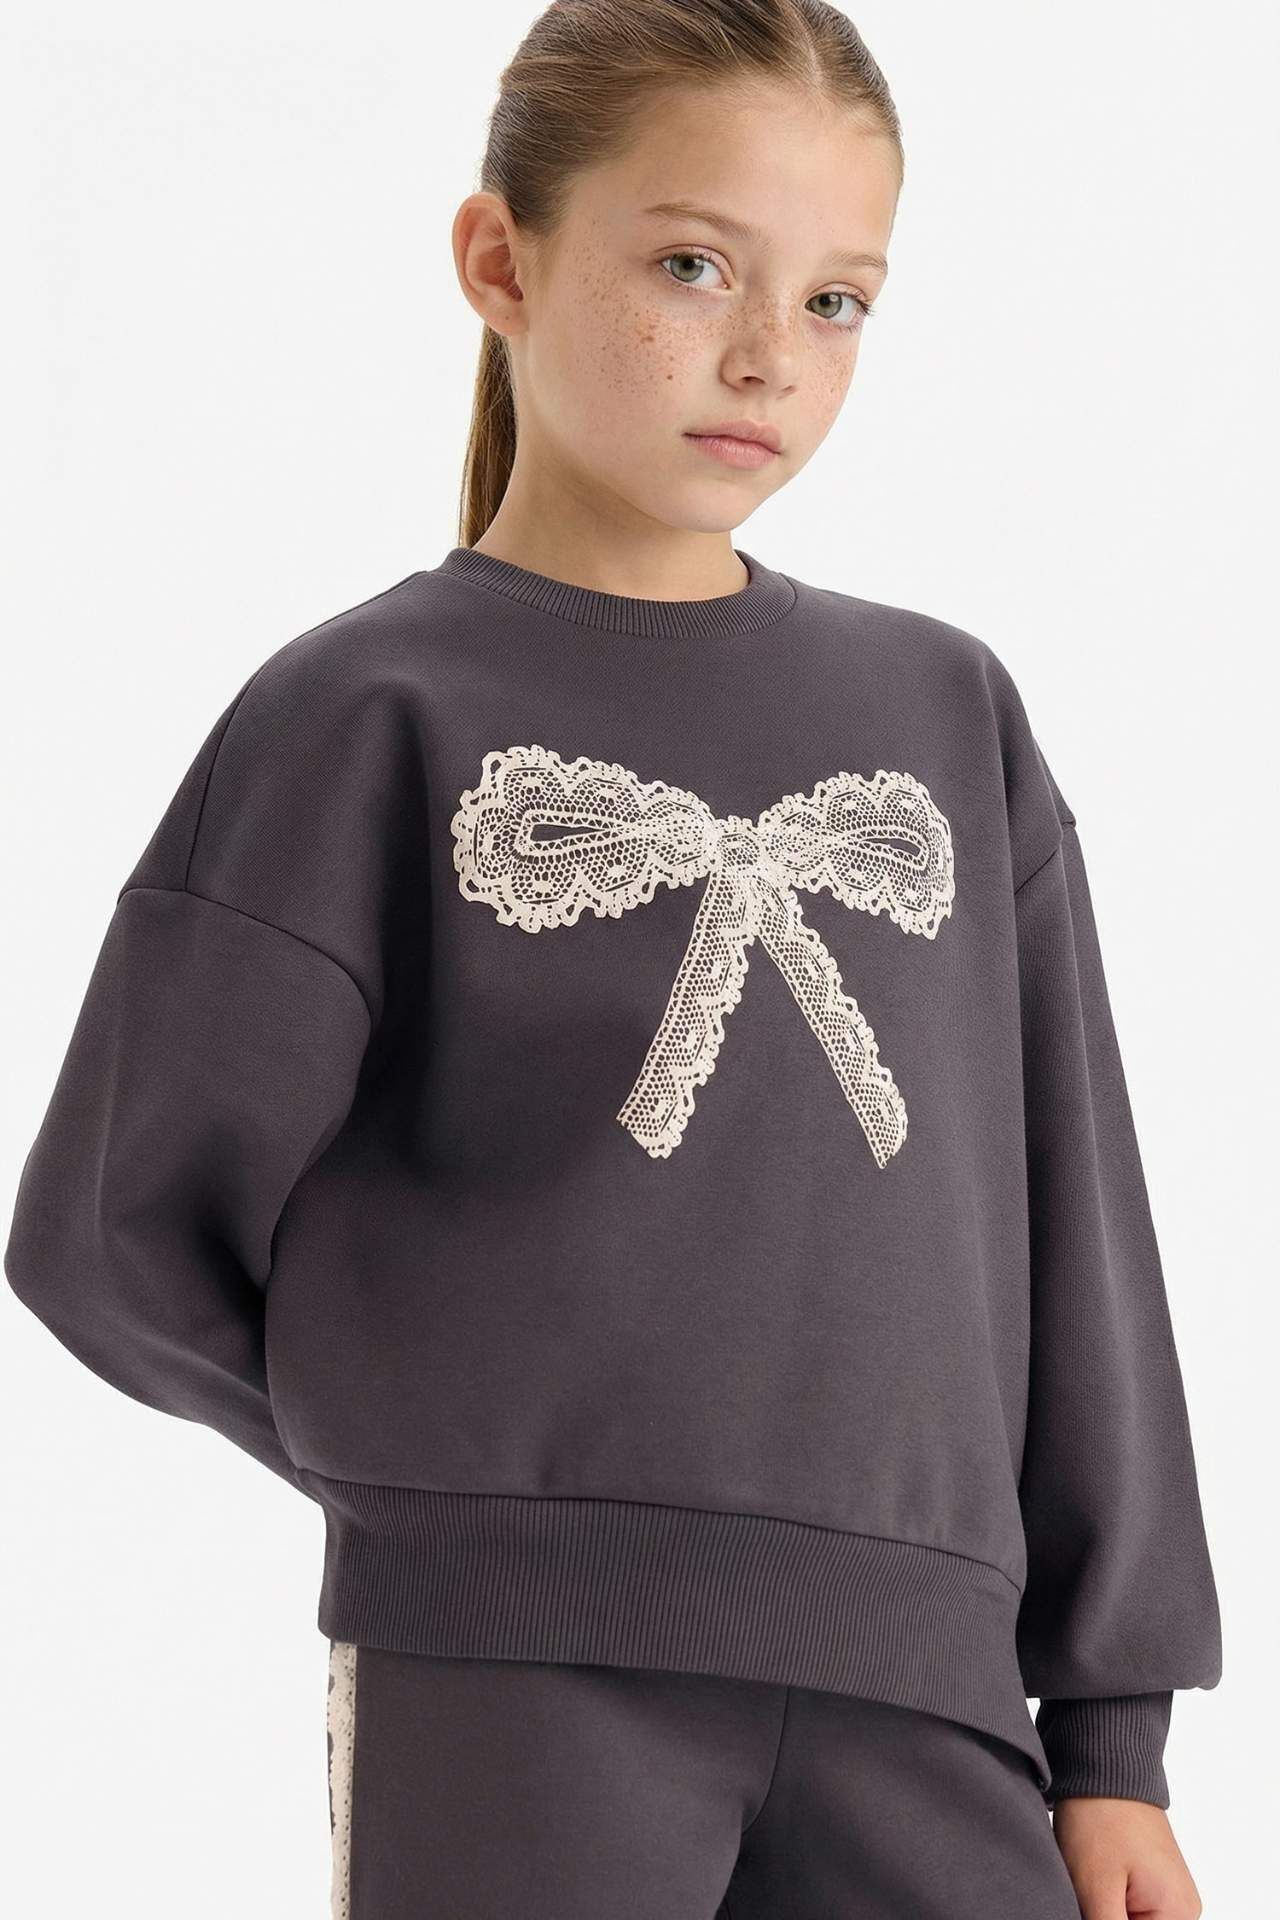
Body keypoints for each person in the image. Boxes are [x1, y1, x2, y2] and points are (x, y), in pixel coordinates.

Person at [4, 3, 1222, 1916]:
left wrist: (1112, 1740)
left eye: (836, 301)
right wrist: (454, 1488)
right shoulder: (366, 714)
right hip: (514, 1693)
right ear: (501, 259)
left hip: (931, 1696)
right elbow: (110, 1232)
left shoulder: (945, 714)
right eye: (691, 266)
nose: (767, 356)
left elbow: (1080, 1236)